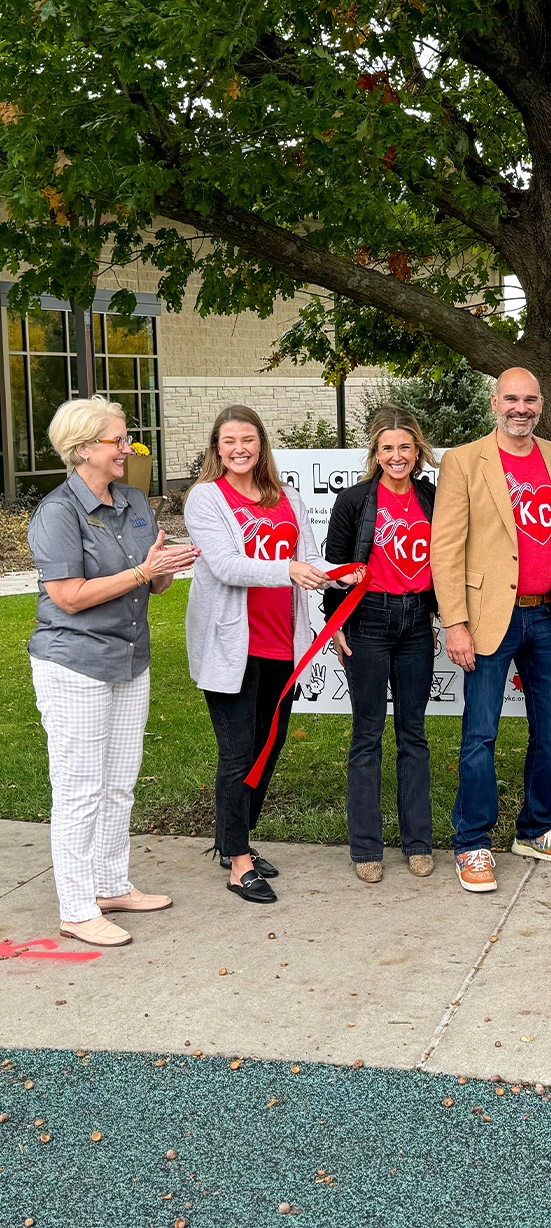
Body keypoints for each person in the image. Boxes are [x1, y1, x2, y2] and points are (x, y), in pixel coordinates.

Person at [432, 368, 551, 893]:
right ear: (495, 403)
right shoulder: (464, 461)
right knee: (480, 735)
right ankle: (472, 844)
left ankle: (536, 829)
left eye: (530, 399)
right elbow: (445, 550)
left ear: (541, 403)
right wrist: (455, 623)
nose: (521, 408)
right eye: (511, 398)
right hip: (489, 618)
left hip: (547, 615)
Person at [28, 396, 200, 947]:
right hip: (74, 662)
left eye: (126, 438)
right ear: (83, 449)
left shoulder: (132, 499)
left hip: (129, 658)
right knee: (79, 789)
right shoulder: (57, 512)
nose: (128, 448)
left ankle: (109, 883)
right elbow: (70, 597)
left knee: (119, 784)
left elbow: (154, 581)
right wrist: (141, 571)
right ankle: (76, 908)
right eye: (118, 440)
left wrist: (163, 569)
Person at [184, 405, 357, 904]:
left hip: (284, 643)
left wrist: (341, 571)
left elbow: (306, 560)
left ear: (261, 445)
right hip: (232, 646)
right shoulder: (205, 499)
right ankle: (239, 863)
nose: (239, 449)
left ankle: (232, 839)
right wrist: (288, 570)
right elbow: (225, 565)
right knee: (239, 754)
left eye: (248, 440)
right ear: (217, 447)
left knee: (266, 749)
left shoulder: (289, 496)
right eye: (229, 441)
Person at [325, 407, 438, 883]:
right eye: (387, 448)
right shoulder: (354, 501)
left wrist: (436, 615)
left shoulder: (433, 496)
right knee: (367, 735)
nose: (397, 456)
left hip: (416, 624)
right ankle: (366, 847)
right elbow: (334, 565)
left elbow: (445, 558)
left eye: (405, 448)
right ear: (375, 453)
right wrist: (335, 626)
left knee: (413, 735)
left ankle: (417, 842)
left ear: (417, 453)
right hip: (367, 621)